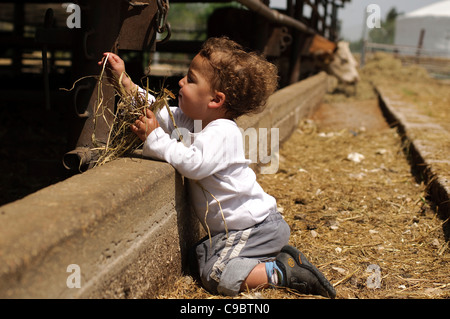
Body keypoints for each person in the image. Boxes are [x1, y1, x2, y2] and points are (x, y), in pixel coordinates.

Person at [99, 37, 336, 298]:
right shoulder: (193, 119)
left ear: (215, 99)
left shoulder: (223, 132)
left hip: (255, 228)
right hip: (243, 231)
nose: (180, 82)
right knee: (198, 256)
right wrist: (125, 82)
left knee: (215, 274)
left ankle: (282, 271)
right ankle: (273, 256)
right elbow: (159, 112)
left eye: (190, 79)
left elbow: (193, 164)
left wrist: (155, 137)